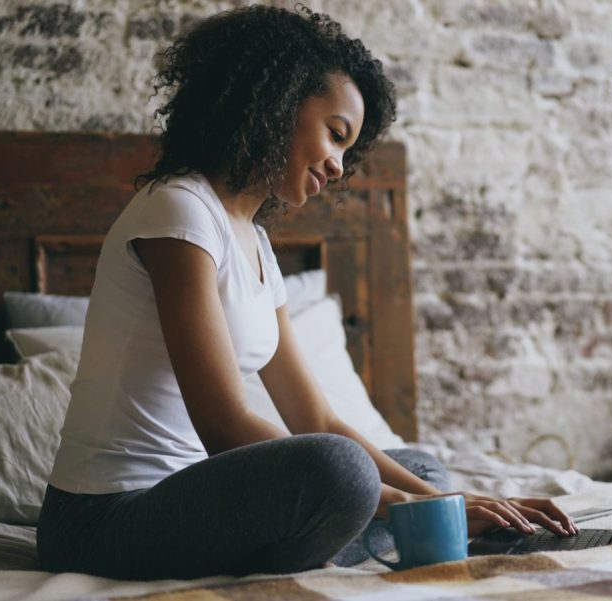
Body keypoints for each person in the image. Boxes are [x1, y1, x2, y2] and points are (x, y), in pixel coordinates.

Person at [36, 5, 576, 580]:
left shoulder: (255, 242)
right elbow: (224, 427)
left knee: (418, 467)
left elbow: (313, 413)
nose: (340, 166)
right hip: (105, 520)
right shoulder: (179, 210)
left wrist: (445, 502)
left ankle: (353, 531)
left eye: (350, 149)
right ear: (276, 104)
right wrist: (414, 506)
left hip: (197, 506)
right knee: (343, 473)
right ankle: (350, 533)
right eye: (335, 135)